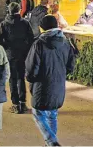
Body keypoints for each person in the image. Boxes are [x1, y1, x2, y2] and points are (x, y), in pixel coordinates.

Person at [26, 15, 76, 146]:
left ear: (42, 28)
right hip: (58, 83)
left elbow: (32, 67)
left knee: (38, 112)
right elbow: (71, 65)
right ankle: (50, 143)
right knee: (52, 114)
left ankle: (51, 141)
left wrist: (31, 79)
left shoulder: (39, 44)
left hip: (42, 84)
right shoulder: (65, 42)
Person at [0, 2, 34, 114]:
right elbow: (31, 38)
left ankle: (15, 104)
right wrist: (26, 48)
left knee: (12, 79)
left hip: (10, 55)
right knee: (21, 78)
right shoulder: (25, 23)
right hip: (22, 54)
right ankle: (23, 102)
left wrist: (6, 49)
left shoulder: (4, 24)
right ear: (19, 10)